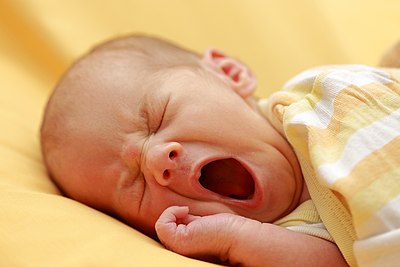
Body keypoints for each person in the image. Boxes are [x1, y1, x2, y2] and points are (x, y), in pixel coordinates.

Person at [40, 34, 400, 267]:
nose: (155, 163)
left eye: (157, 117)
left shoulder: (322, 93)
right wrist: (234, 239)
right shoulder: (286, 240)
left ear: (228, 72)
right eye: (133, 186)